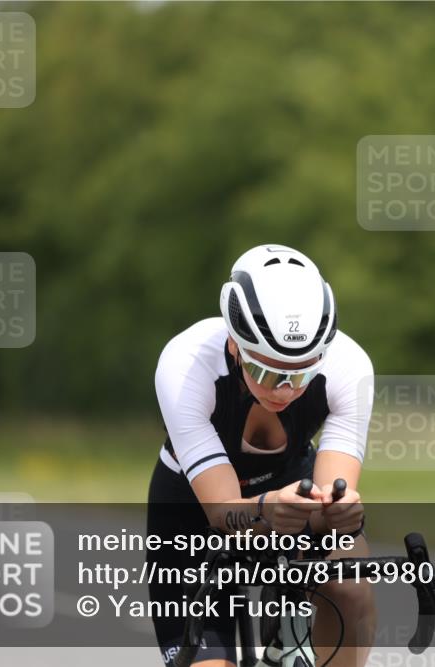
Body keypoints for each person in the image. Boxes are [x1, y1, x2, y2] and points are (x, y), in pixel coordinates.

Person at [147, 244, 376, 667]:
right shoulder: (186, 364)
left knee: (350, 586)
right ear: (235, 346)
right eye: (267, 371)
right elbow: (222, 513)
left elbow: (330, 506)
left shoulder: (349, 365)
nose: (285, 390)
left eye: (302, 372)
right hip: (193, 508)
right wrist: (267, 509)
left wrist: (339, 513)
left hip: (292, 487)